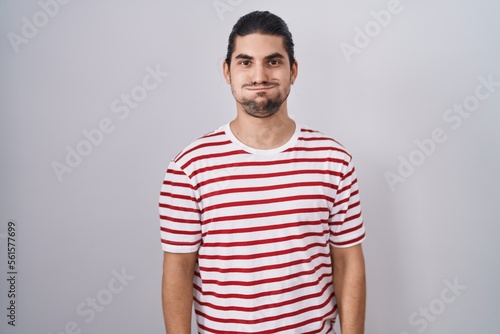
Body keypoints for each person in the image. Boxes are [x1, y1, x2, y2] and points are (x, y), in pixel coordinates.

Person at [159, 10, 366, 334]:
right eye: (245, 62)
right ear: (227, 71)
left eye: (273, 61)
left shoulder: (334, 161)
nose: (259, 76)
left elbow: (348, 261)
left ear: (292, 70)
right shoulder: (189, 167)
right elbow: (178, 270)